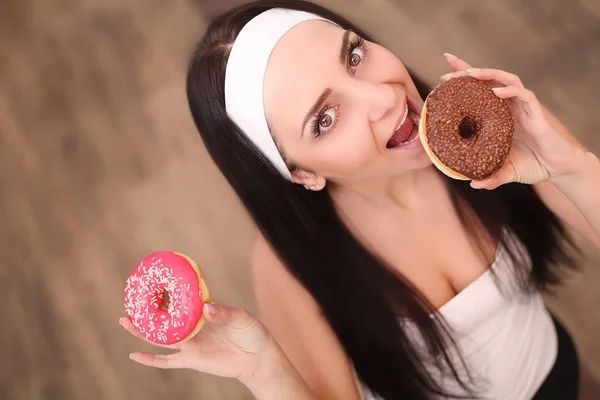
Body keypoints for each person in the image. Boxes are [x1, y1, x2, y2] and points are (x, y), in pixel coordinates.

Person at [120, 1, 600, 398]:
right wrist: (267, 373)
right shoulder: (288, 266)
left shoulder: (494, 127)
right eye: (325, 119)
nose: (382, 98)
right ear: (302, 173)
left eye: (353, 55)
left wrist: (573, 166)